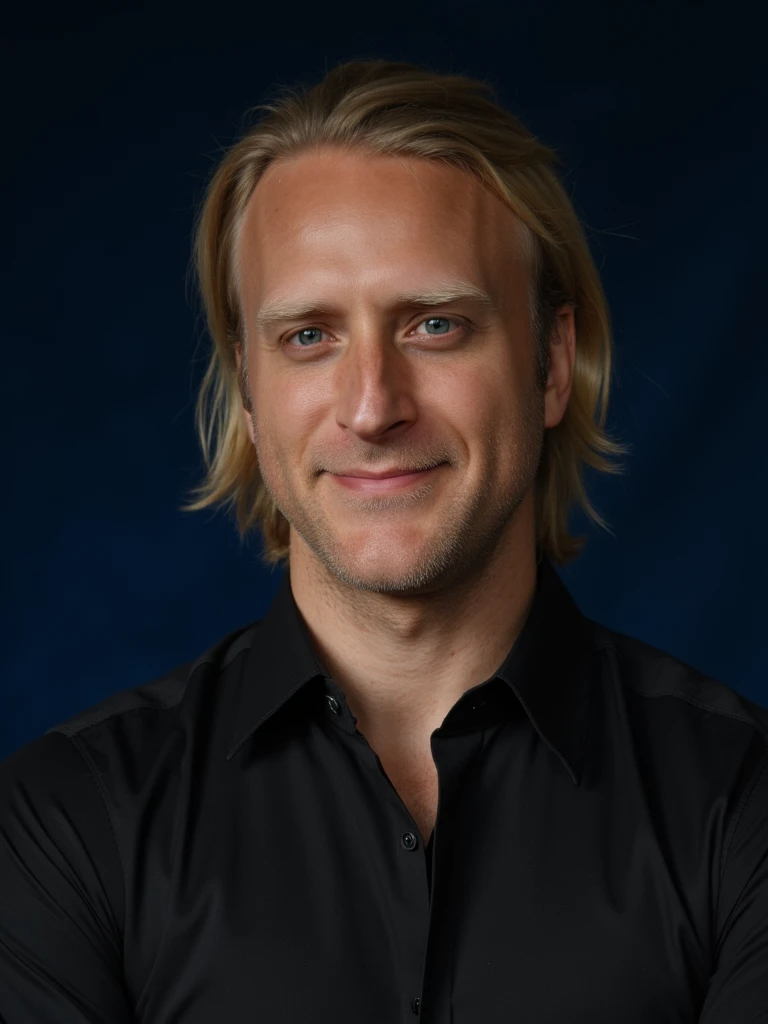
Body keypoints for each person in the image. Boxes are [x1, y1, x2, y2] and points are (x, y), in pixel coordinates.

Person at [1, 58, 766, 1023]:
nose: (371, 407)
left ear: (553, 363)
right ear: (247, 391)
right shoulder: (61, 826)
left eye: (437, 325)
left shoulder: (743, 809)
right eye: (309, 337)